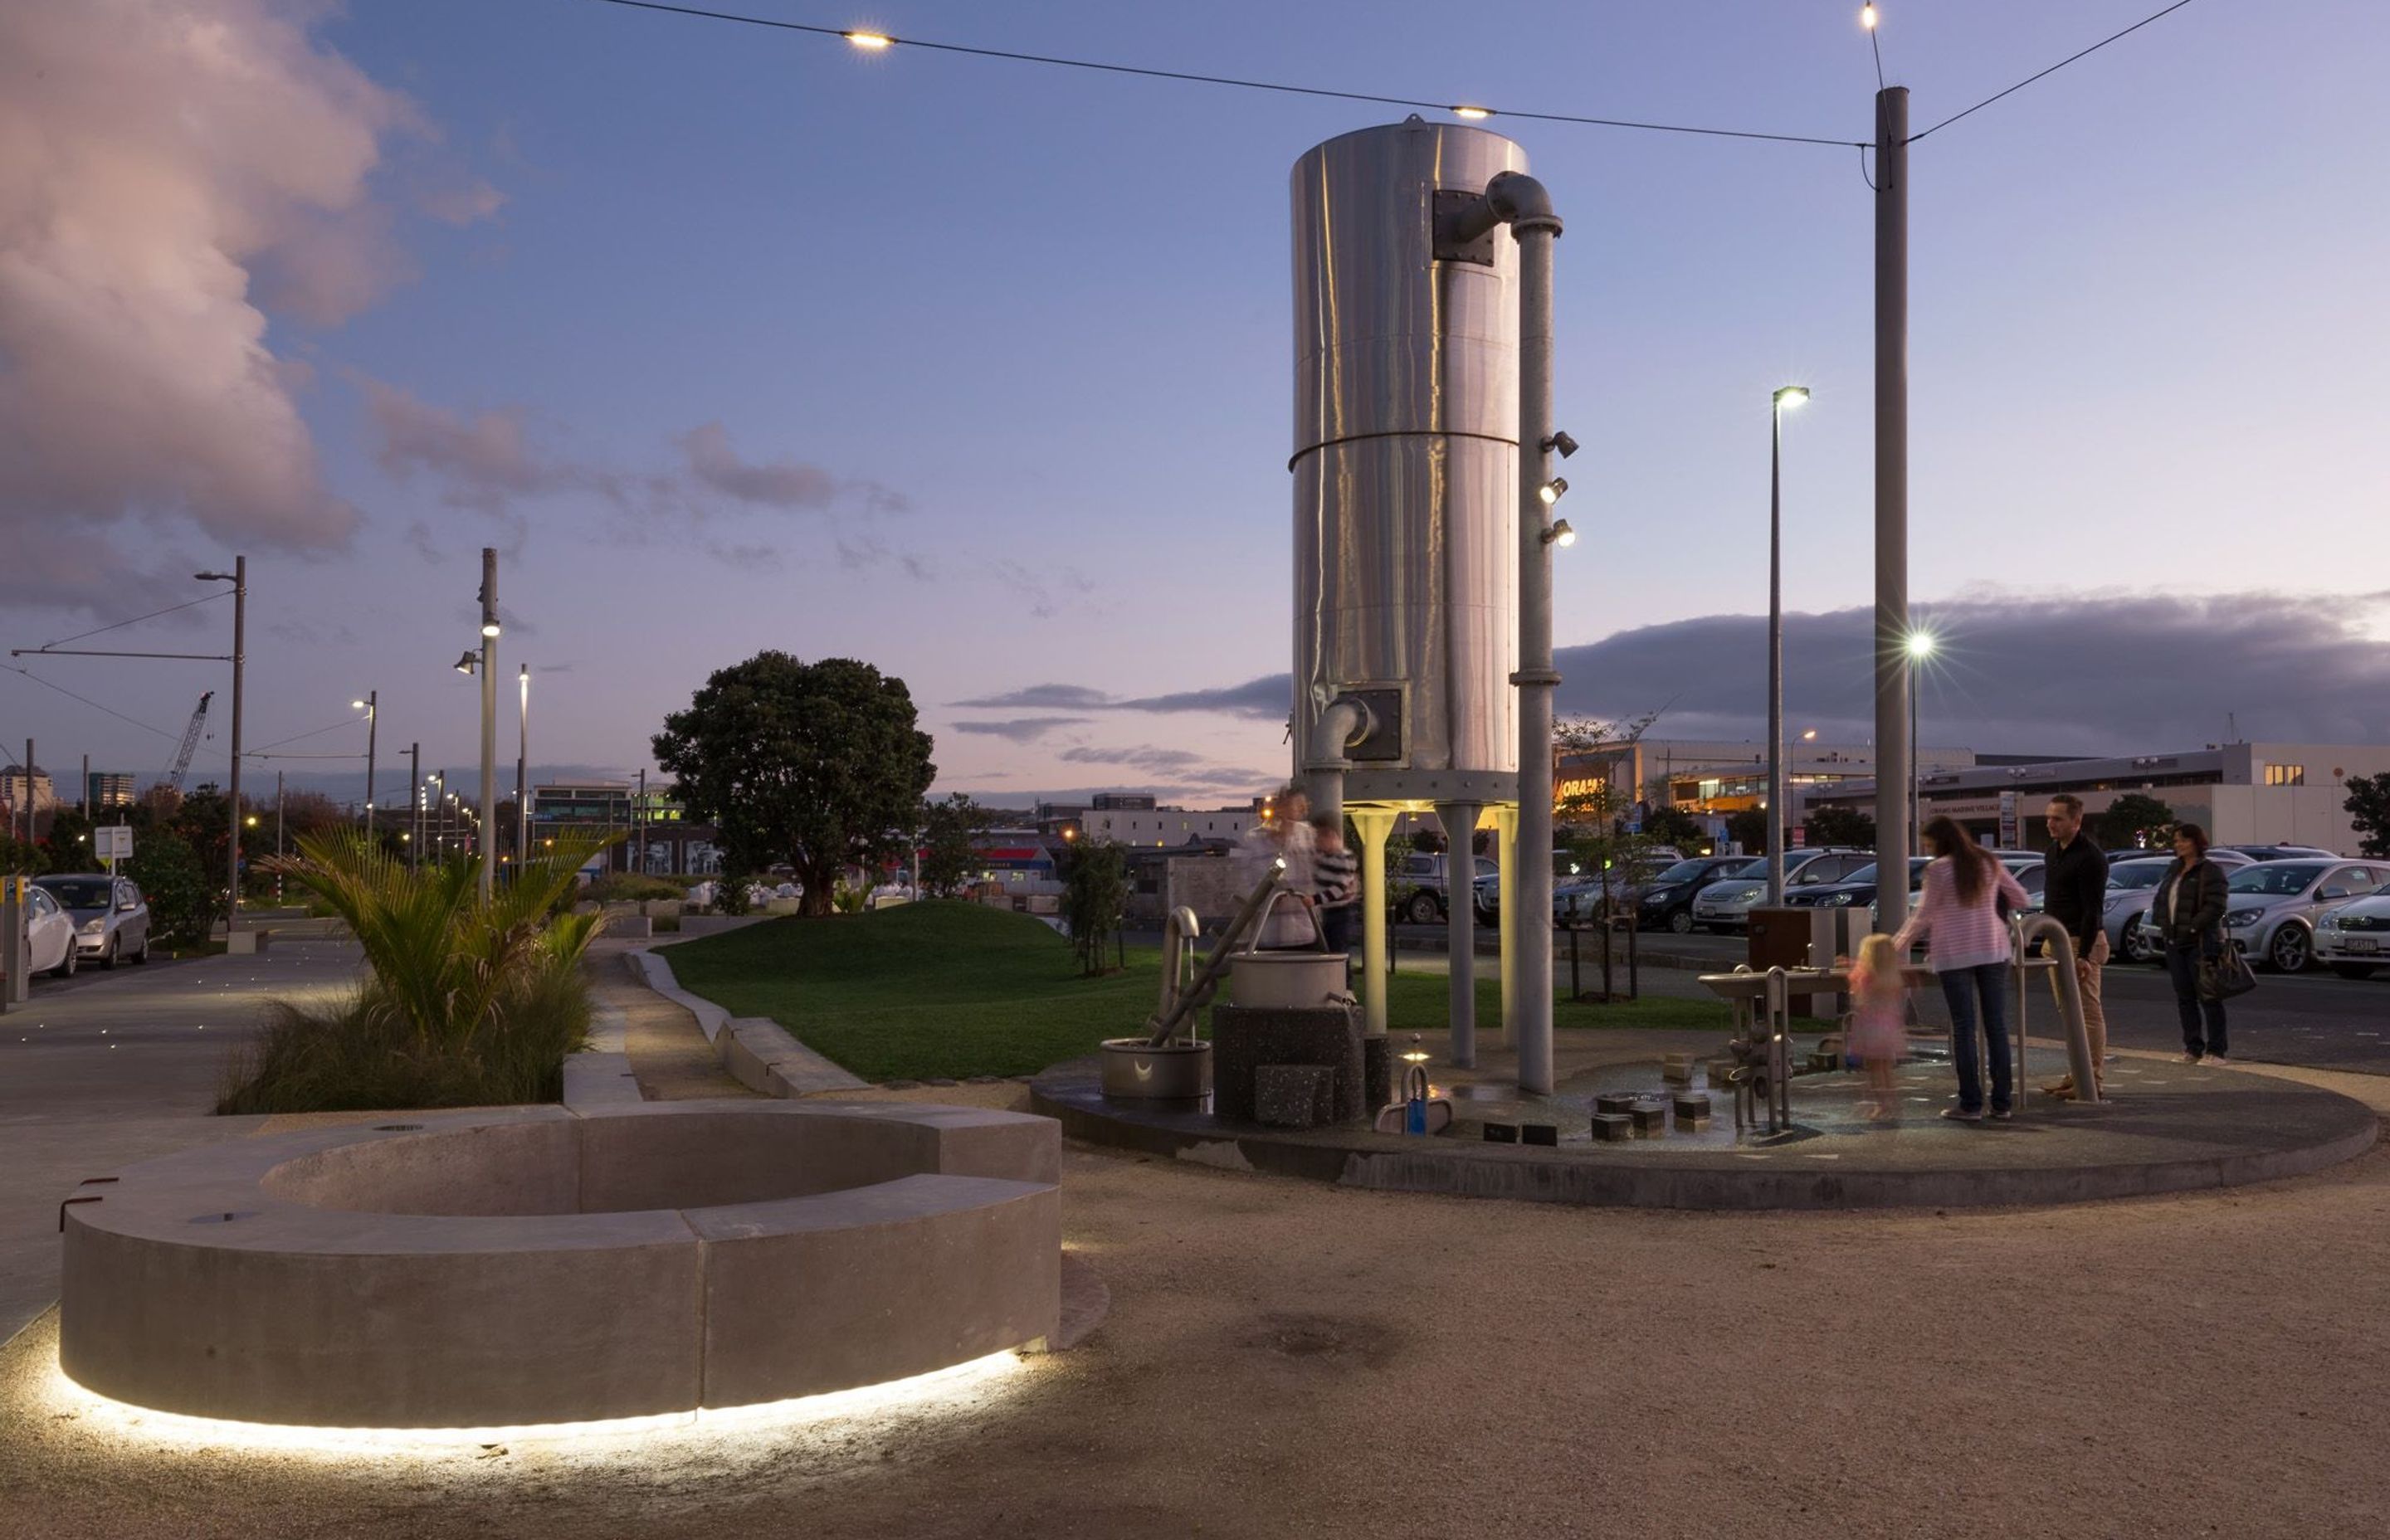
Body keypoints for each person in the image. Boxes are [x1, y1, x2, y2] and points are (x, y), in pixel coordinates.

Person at [1893, 816, 2031, 1122]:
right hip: (1994, 949)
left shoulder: (1938, 869)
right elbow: (2021, 897)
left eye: (1928, 844)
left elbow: (1924, 915)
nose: (1927, 850)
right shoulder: (1988, 861)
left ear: (1939, 842)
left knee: (1964, 1028)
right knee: (1996, 1027)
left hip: (1955, 953)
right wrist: (1990, 908)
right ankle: (2002, 1104)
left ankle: (1970, 1104)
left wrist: (1895, 945)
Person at [2038, 793, 2111, 1099]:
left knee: (2087, 1013)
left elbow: (2092, 909)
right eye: (2048, 818)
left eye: (2058, 818)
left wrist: (2083, 955)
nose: (2050, 824)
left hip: (2080, 940)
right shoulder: (2054, 851)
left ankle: (2091, 1079)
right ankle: (2076, 1073)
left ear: (2077, 821)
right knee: (2069, 1012)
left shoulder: (2090, 857)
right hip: (2055, 939)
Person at [2150, 821, 2231, 1064]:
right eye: (2176, 841)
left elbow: (2216, 905)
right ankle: (2192, 1047)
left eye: (2183, 840)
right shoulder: (2174, 869)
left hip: (2200, 942)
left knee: (2209, 995)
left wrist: (2195, 925)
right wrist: (2163, 923)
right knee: (2185, 997)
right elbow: (2162, 898)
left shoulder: (2210, 871)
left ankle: (2217, 1050)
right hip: (2175, 941)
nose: (2179, 845)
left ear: (2196, 842)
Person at [1845, 932, 1908, 1121]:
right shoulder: (1892, 976)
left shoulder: (1867, 977)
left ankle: (1881, 1105)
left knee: (1873, 1069)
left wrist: (1849, 969)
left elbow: (1857, 991)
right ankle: (1892, 1102)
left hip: (1870, 1028)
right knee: (1886, 1068)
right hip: (1889, 1028)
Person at [1310, 814, 1359, 962]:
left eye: (1319, 837)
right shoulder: (1324, 856)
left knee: (1339, 951)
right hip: (1326, 911)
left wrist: (1315, 899)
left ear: (1330, 835)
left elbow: (1339, 889)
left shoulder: (1344, 858)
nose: (1316, 842)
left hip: (1341, 912)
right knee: (1326, 949)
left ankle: (1344, 982)